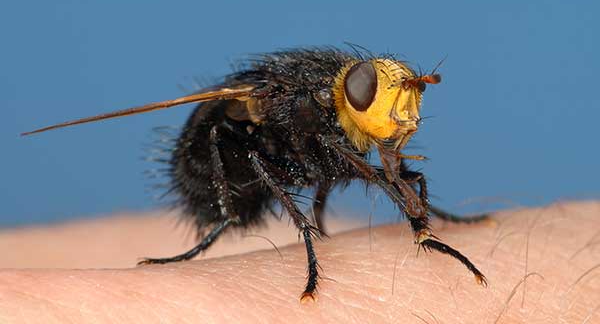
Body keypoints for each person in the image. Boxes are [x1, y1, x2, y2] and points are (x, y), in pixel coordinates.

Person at [0, 201, 598, 323]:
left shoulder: (351, 119)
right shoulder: (304, 104)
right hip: (227, 164)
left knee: (393, 167)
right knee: (269, 159)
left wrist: (432, 217)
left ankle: (426, 230)